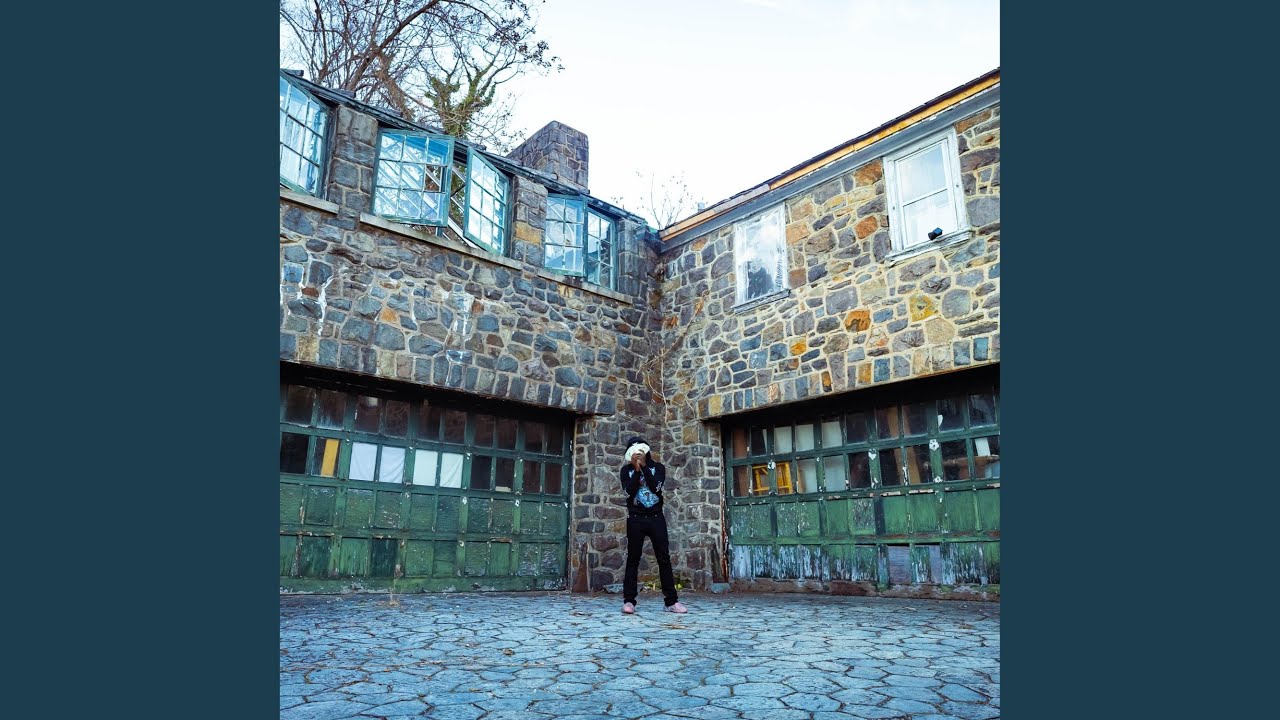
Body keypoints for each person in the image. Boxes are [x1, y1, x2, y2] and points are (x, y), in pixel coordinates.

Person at [619, 436, 687, 614]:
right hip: (635, 518)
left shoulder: (658, 468)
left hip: (656, 517)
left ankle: (671, 601)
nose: (637, 454)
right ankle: (629, 601)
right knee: (633, 559)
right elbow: (628, 492)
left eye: (640, 451)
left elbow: (656, 487)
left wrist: (644, 468)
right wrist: (636, 470)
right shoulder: (626, 471)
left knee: (663, 558)